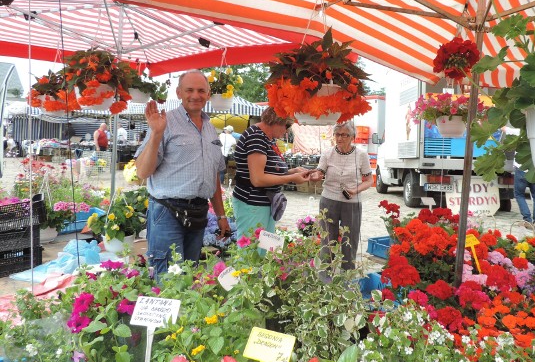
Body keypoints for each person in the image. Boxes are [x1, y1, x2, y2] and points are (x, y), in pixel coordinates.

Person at [135, 70, 229, 279]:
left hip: (198, 212)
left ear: (208, 94)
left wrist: (221, 215)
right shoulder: (164, 122)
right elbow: (142, 171)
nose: (195, 95)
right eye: (189, 90)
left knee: (188, 274)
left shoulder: (210, 128)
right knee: (169, 278)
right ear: (178, 93)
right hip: (167, 211)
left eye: (201, 90)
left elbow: (212, 174)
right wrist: (156, 134)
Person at [232, 107, 311, 239]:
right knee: (252, 253)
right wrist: (291, 177)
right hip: (252, 204)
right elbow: (258, 179)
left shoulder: (267, 137)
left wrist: (292, 172)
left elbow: (269, 170)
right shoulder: (256, 137)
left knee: (264, 251)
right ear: (277, 121)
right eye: (287, 125)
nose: (287, 130)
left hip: (263, 204)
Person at [308, 122, 373, 270]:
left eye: (345, 135)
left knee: (350, 239)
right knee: (327, 238)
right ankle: (326, 273)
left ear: (352, 137)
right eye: (337, 134)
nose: (340, 138)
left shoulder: (361, 155)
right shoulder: (327, 153)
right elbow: (320, 172)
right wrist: (315, 175)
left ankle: (347, 273)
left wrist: (355, 190)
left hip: (351, 201)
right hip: (328, 200)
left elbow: (369, 180)